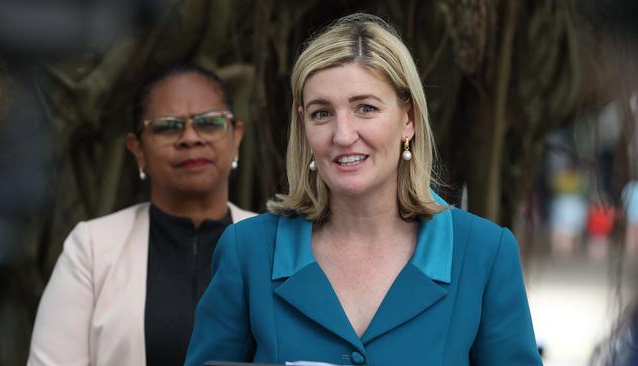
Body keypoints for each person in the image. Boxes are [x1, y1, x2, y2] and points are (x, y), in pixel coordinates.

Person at [185, 14, 541, 366]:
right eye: (322, 113)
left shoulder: (484, 254)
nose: (342, 135)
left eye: (365, 108)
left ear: (409, 119)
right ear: (303, 126)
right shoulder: (248, 251)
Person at [27, 64, 256, 366]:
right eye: (167, 125)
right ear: (138, 150)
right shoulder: (92, 249)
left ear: (235, 137)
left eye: (209, 122)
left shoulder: (279, 244)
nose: (190, 137)